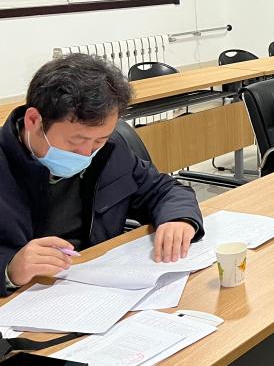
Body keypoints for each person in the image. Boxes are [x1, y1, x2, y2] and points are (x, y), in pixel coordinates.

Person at [0, 54, 204, 296]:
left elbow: (162, 189)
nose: (87, 153)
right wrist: (9, 271)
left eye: (99, 140)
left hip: (97, 288)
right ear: (34, 120)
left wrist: (179, 218)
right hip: (26, 301)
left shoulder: (110, 151)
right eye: (76, 141)